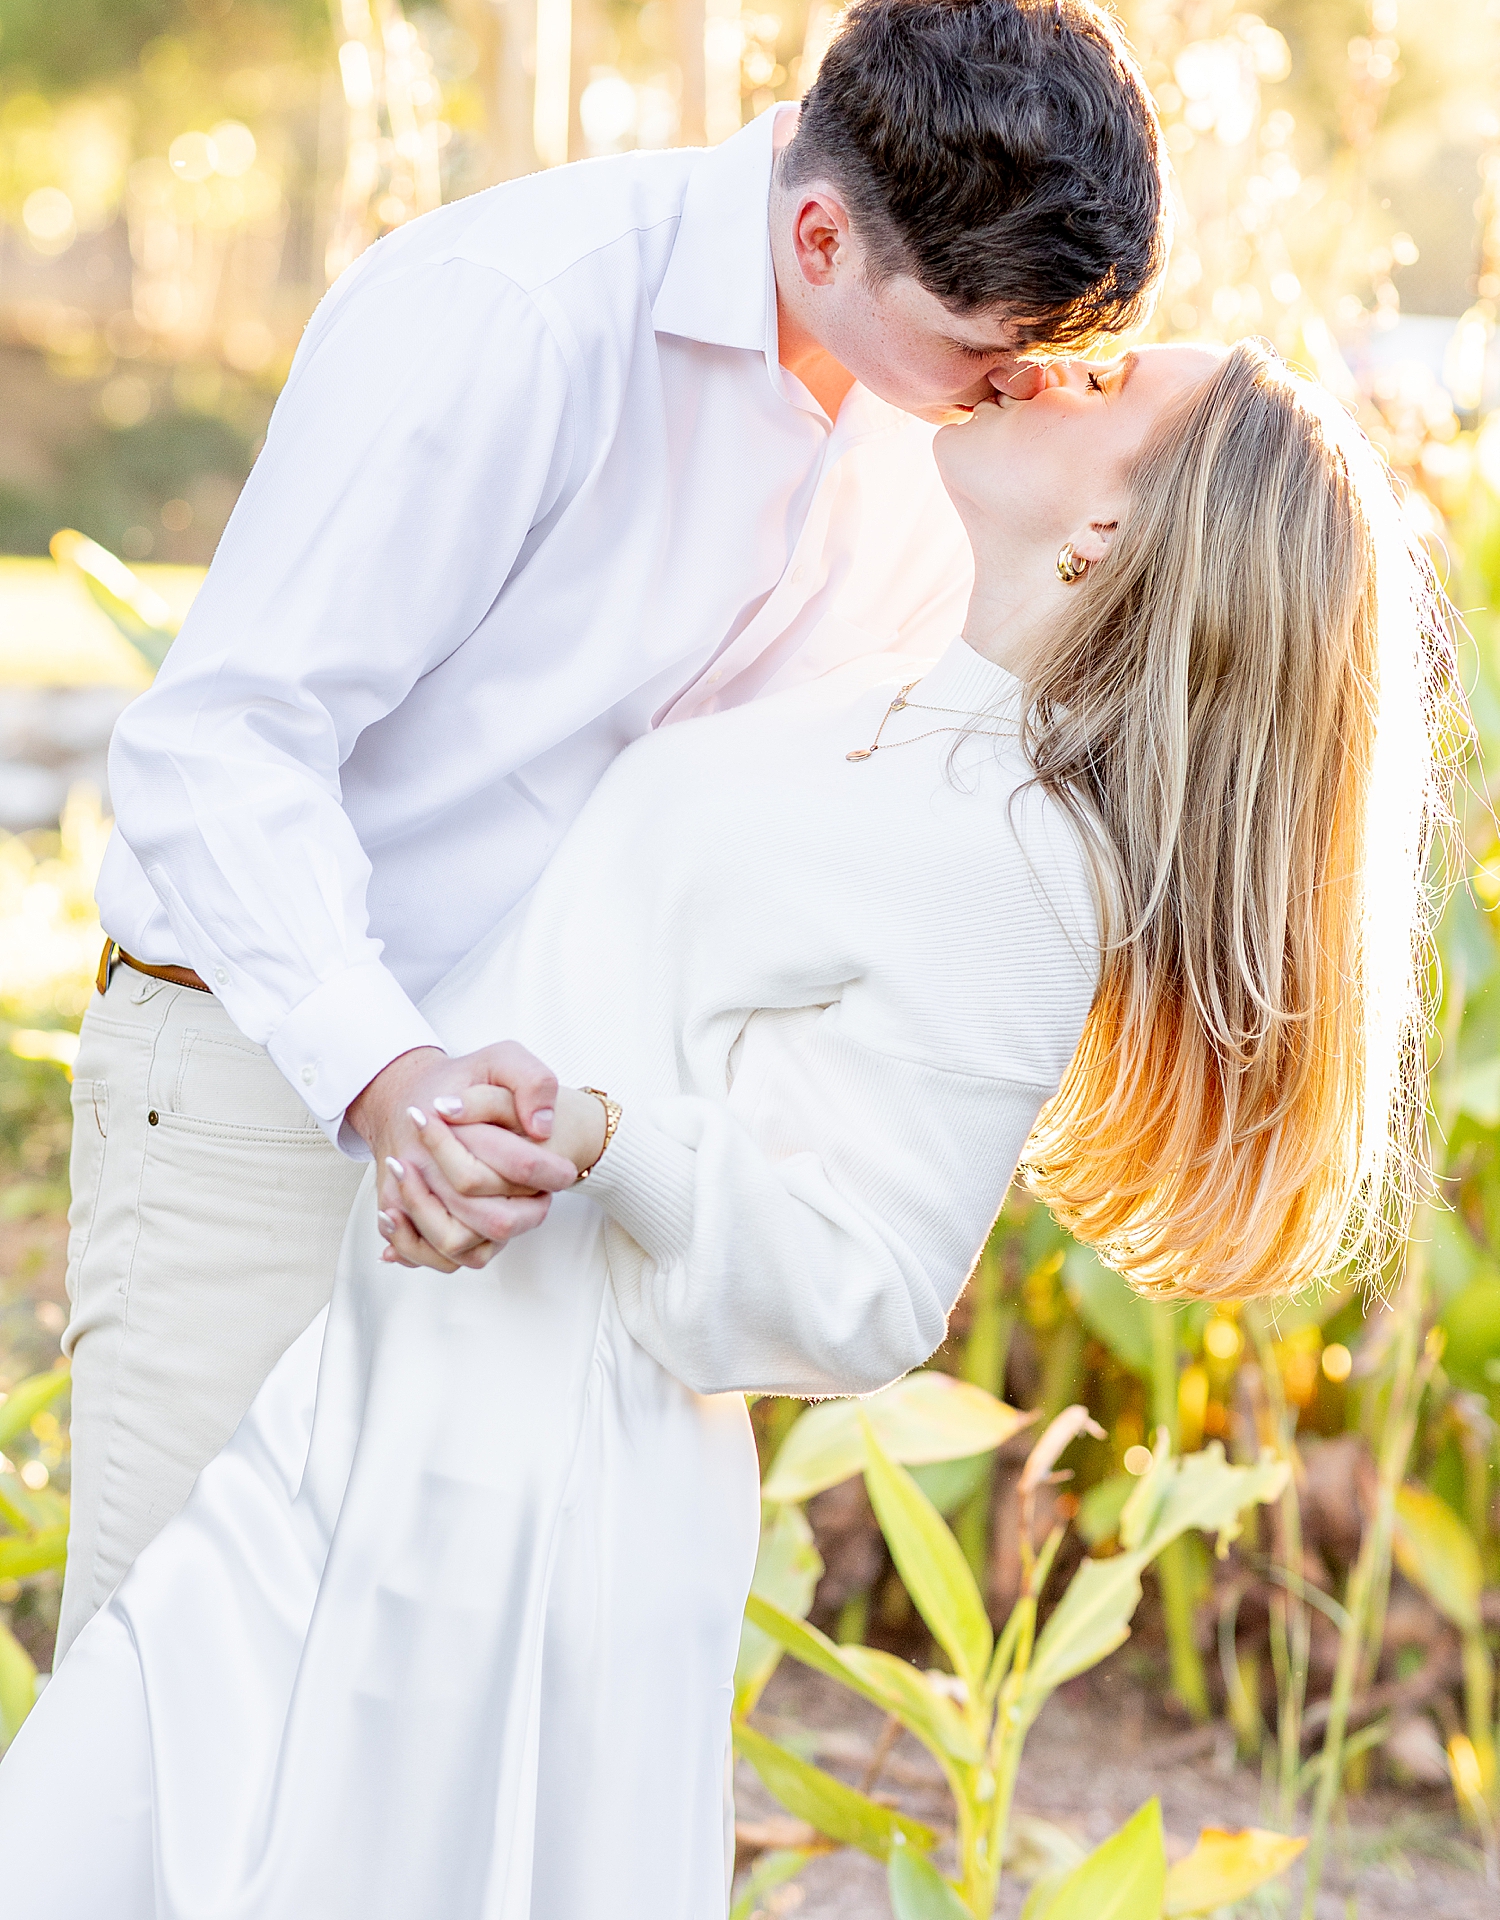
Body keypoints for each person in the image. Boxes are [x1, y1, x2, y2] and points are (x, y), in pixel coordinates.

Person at [2, 339, 1450, 1917]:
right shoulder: (889, 693)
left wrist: (607, 1138)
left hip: (530, 1493)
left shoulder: (1023, 860)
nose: (1040, 371)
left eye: (1104, 387)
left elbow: (869, 1288)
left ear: (1107, 535)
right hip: (385, 1391)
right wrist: (446, 1126)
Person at [56, 0, 1170, 1659]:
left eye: (1049, 355)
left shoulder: (925, 424)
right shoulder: (512, 312)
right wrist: (387, 1074)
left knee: (406, 1760)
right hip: (267, 1096)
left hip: (548, 1173)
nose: (1015, 383)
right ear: (820, 237)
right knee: (172, 1710)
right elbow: (224, 744)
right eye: (982, 344)